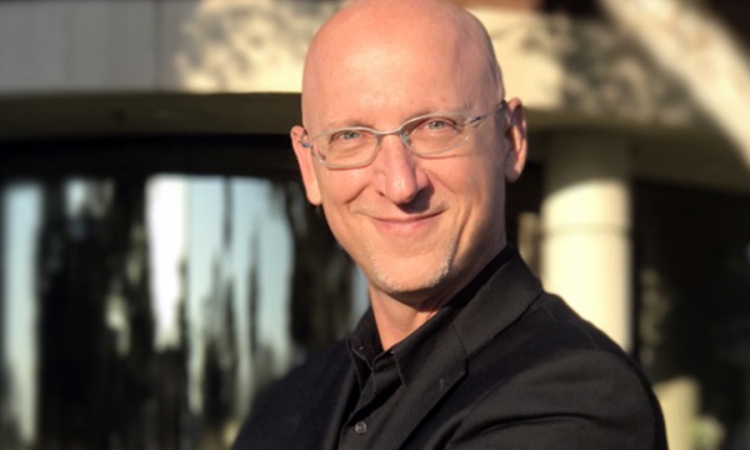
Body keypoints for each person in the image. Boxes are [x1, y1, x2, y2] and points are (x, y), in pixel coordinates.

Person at [233, 0, 668, 448]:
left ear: (509, 140)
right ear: (309, 167)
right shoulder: (286, 408)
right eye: (350, 136)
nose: (400, 184)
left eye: (435, 126)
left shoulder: (579, 398)